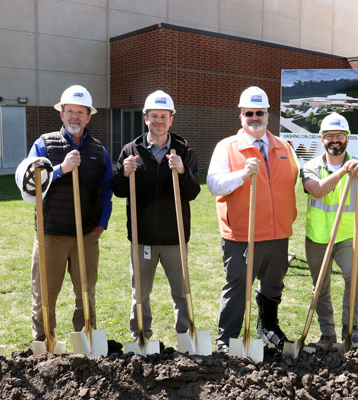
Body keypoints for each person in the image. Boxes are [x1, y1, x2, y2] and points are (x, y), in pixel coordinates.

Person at [207, 86, 299, 353]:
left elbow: (291, 181)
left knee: (273, 284)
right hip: (242, 235)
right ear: (241, 116)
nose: (254, 117)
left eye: (260, 112)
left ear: (268, 115)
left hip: (278, 233)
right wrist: (243, 176)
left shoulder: (284, 146)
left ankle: (268, 327)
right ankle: (228, 340)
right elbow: (214, 184)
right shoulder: (227, 147)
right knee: (237, 287)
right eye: (249, 113)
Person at [111, 90, 200, 342]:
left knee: (182, 292)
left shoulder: (183, 150)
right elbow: (117, 191)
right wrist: (123, 174)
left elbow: (193, 192)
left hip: (175, 237)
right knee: (139, 292)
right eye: (154, 116)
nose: (159, 121)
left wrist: (182, 171)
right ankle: (140, 335)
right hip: (143, 237)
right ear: (145, 118)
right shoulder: (131, 150)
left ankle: (185, 337)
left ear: (171, 119)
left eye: (164, 116)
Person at [27, 84, 113, 342]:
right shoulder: (43, 145)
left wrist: (101, 225)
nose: (75, 116)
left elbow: (106, 190)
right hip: (50, 236)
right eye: (69, 111)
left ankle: (85, 341)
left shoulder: (98, 151)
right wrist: (61, 169)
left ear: (89, 116)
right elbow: (30, 184)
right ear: (61, 115)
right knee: (44, 294)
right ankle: (44, 343)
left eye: (80, 112)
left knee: (86, 294)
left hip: (85, 236)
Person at [301, 112, 358, 347]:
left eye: (339, 135)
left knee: (354, 278)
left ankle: (351, 328)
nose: (334, 140)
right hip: (317, 237)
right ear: (322, 139)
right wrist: (343, 171)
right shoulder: (310, 166)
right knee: (321, 286)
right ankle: (327, 334)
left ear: (347, 138)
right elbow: (316, 190)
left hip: (348, 236)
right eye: (329, 136)